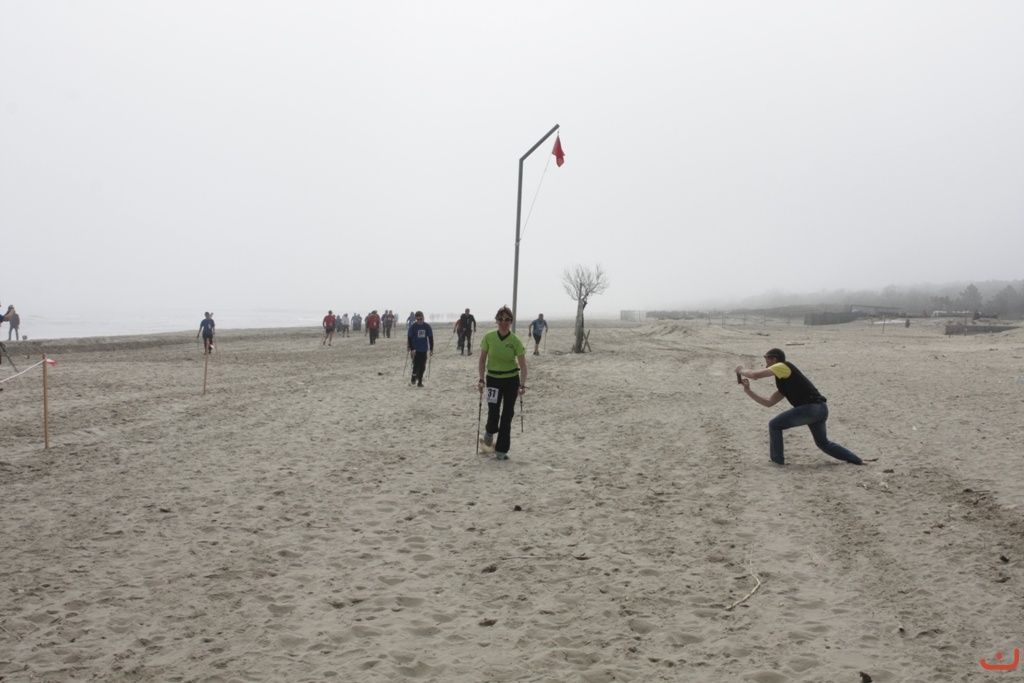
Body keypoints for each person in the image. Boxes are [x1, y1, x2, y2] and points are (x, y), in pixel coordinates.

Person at [736, 348, 863, 467]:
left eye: (767, 360)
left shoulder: (783, 366)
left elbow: (754, 375)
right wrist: (748, 391)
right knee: (823, 443)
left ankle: (777, 462)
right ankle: (857, 460)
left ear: (774, 360)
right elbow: (769, 402)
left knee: (774, 424)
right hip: (820, 409)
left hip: (811, 408)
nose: (765, 364)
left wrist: (741, 370)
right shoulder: (785, 380)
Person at [478, 305, 528, 461]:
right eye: (500, 319)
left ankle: (501, 450)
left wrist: (522, 385)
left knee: (507, 414)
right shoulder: (489, 337)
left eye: (507, 319)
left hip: (511, 380)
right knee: (493, 411)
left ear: (511, 321)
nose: (503, 322)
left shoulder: (515, 340)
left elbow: (523, 366)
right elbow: (482, 360)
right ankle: (489, 431)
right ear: (496, 321)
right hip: (493, 379)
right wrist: (481, 380)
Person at [407, 311, 433, 387]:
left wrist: (431, 349)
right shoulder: (413, 327)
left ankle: (420, 382)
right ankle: (413, 377)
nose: (419, 321)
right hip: (415, 349)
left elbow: (430, 338)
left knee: (422, 366)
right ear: (416, 319)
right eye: (418, 319)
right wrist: (412, 349)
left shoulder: (427, 326)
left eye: (421, 319)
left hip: (424, 349)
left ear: (423, 318)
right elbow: (409, 338)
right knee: (415, 365)